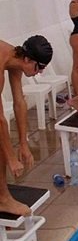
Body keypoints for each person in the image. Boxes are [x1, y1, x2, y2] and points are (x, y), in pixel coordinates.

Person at [0, 36, 53, 216]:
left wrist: (23, 143)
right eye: (39, 67)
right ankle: (3, 199)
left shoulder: (16, 59)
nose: (40, 72)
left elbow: (19, 102)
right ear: (28, 59)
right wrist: (11, 158)